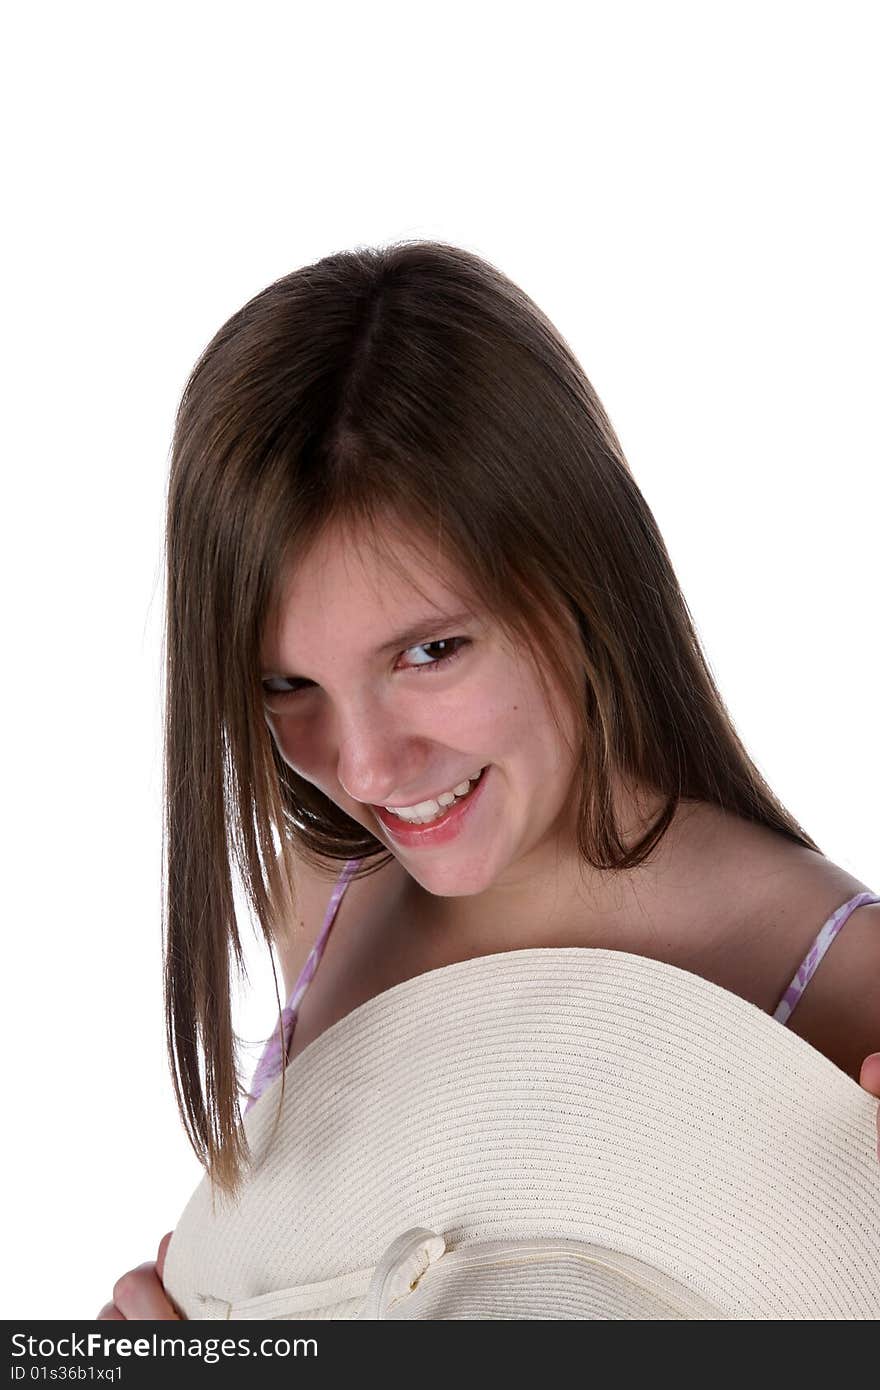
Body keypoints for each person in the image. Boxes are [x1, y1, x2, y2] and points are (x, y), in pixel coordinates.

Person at [97, 240, 880, 1320]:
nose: (365, 767)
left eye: (428, 653)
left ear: (581, 580)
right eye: (287, 681)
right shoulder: (321, 889)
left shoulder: (836, 980)